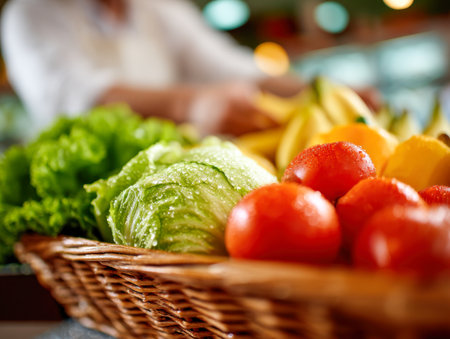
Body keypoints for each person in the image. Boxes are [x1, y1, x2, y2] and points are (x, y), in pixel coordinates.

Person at [1, 0, 304, 137]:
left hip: (167, 171)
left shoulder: (160, 8)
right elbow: (81, 98)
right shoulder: (30, 13)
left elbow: (234, 69)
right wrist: (193, 105)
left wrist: (326, 89)